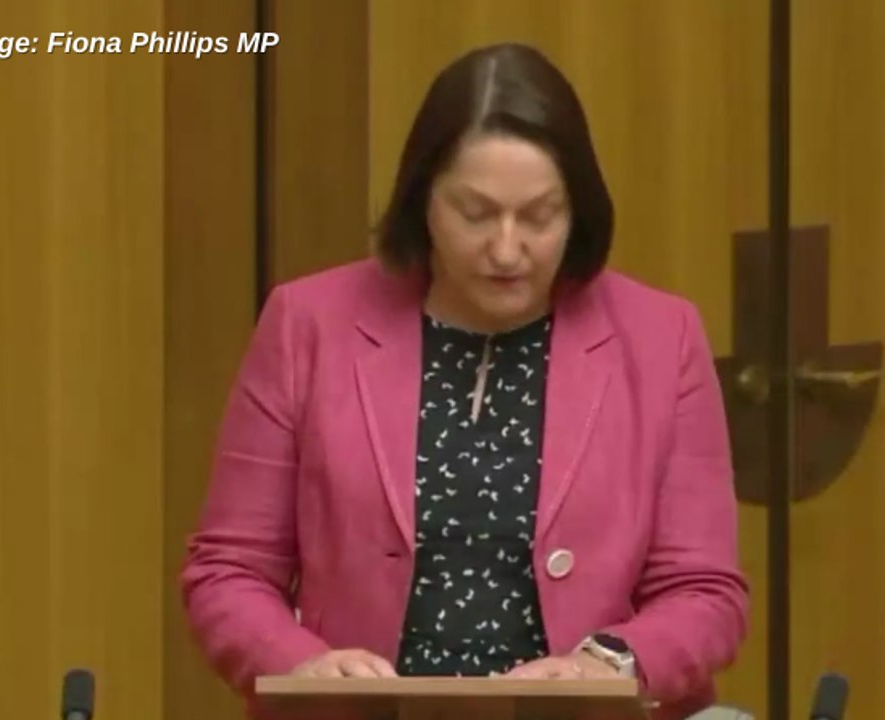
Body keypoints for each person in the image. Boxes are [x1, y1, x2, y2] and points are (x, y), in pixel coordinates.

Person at [180, 41, 749, 720]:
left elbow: (705, 591)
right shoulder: (307, 323)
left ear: (579, 211)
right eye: (475, 214)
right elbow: (228, 571)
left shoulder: (662, 336)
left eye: (539, 216)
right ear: (422, 202)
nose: (507, 249)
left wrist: (610, 663)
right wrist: (302, 664)